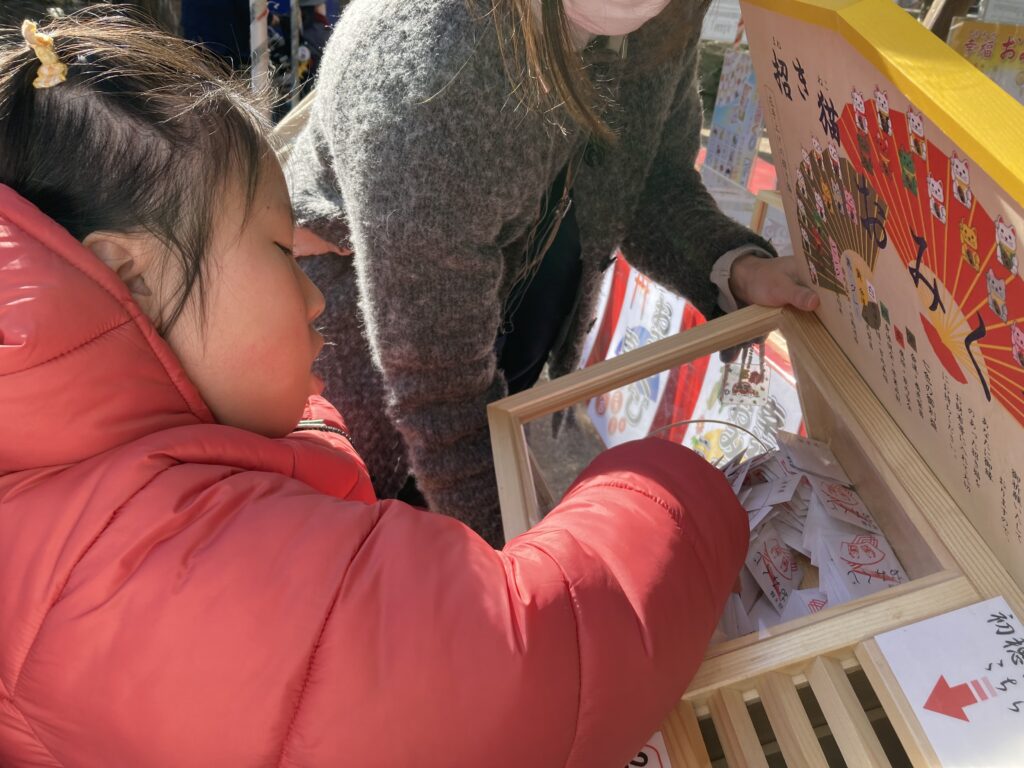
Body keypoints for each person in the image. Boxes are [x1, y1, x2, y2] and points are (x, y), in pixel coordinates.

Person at [1, 12, 749, 766]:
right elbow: (525, 671)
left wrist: (731, 263)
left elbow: (650, 175)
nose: (315, 295)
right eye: (281, 250)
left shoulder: (87, 497)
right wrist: (667, 483)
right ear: (131, 276)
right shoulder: (177, 569)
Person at [287, 0, 821, 547]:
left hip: (496, 359)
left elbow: (652, 181)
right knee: (374, 555)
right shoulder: (436, 61)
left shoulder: (663, 14)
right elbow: (441, 395)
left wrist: (735, 265)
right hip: (368, 394)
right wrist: (523, 557)